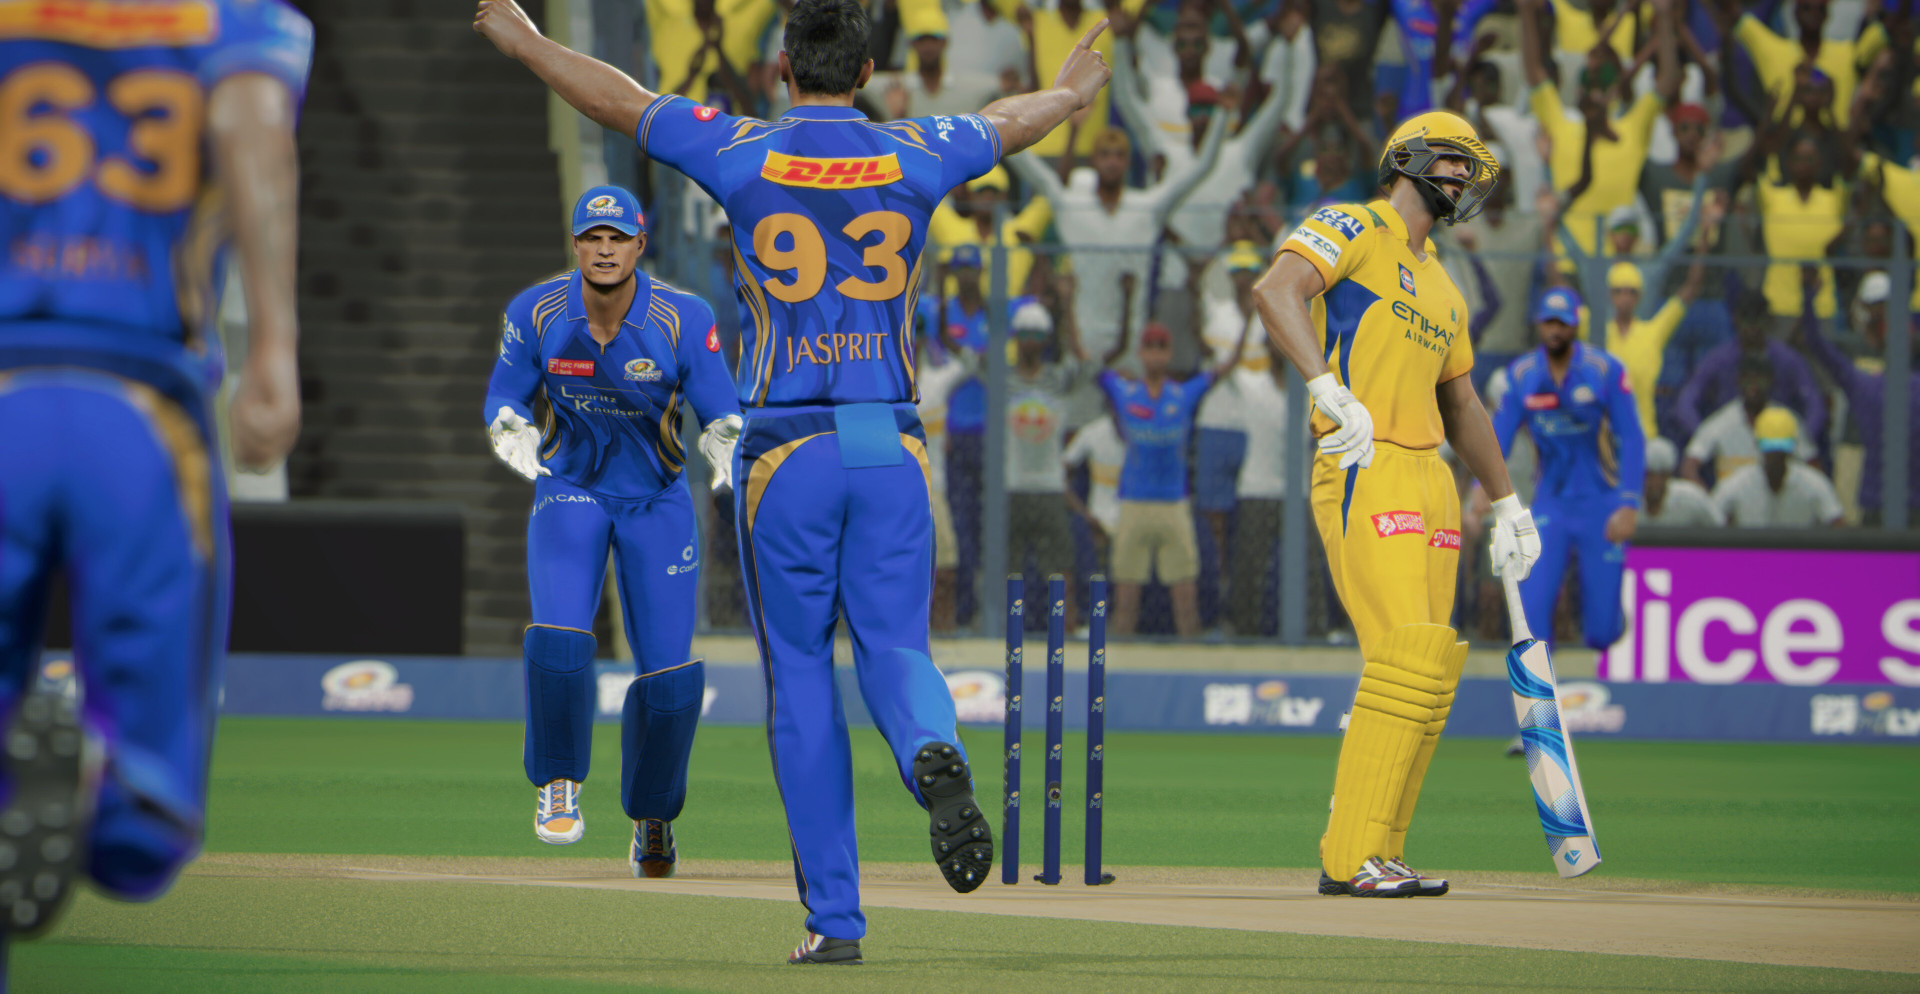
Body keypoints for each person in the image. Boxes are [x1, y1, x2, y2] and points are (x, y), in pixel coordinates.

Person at [475, 0, 1112, 963]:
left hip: (787, 449)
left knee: (802, 678)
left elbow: (620, 102)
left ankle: (836, 923)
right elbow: (1007, 121)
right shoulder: (916, 149)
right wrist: (1069, 96)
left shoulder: (742, 148)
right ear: (867, 73)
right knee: (897, 647)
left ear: (782, 67)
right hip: (889, 440)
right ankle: (928, 752)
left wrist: (525, 41)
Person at [0, 0, 311, 949]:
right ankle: (97, 785)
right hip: (140, 408)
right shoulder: (233, 19)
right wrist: (273, 346)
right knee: (147, 826)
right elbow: (252, 128)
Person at [1252, 109, 1541, 897]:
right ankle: (1349, 857)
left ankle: (1383, 850)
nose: (1466, 177)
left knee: (1431, 672)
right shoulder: (1353, 223)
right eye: (1454, 161)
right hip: (1363, 458)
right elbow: (1275, 290)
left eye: (1472, 167)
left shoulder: (1445, 283)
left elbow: (1463, 403)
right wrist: (1325, 387)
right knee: (1401, 658)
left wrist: (1508, 504)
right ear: (1408, 158)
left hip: (1431, 476)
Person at [483, 187, 740, 872]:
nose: (604, 249)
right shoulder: (535, 312)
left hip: (657, 499)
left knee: (669, 677)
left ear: (639, 245)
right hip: (571, 488)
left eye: (617, 237)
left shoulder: (683, 317)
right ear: (575, 244)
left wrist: (724, 435)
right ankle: (558, 783)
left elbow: (720, 404)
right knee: (561, 637)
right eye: (592, 237)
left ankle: (653, 818)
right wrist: (506, 421)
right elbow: (505, 389)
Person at [1492, 288, 1646, 651]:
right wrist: (1483, 491)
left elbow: (1632, 437)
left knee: (1601, 633)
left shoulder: (1604, 370)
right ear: (1538, 325)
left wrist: (1628, 503)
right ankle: (1543, 680)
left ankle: (1609, 621)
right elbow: (1498, 438)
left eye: (1562, 323)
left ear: (1576, 325)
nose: (1555, 331)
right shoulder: (1522, 375)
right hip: (1551, 504)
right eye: (1549, 323)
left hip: (1601, 504)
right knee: (1533, 618)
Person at [1007, 117, 1223, 363]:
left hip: (1132, 345)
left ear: (1128, 163)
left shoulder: (1146, 208)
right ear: (1093, 160)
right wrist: (1002, 123)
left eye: (1119, 155)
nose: (1112, 162)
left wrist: (1223, 116)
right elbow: (1037, 175)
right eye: (1105, 154)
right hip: (1082, 342)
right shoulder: (1073, 207)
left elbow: (1201, 169)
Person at [1099, 319, 1242, 637]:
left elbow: (1223, 369)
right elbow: (1091, 367)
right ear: (1140, 353)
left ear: (1169, 353)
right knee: (1125, 601)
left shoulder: (1184, 394)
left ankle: (1189, 661)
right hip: (1133, 503)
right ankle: (1119, 663)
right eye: (1149, 347)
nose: (1155, 355)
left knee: (1186, 600)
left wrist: (1246, 323)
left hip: (1174, 504)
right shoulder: (1125, 391)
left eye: (1161, 347)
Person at [1797, 269, 1920, 527]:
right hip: (1875, 483)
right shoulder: (1863, 378)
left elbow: (1816, 343)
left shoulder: (1864, 385)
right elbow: (1817, 343)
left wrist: (1808, 297)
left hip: (1891, 499)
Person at [1006, 295, 1095, 630]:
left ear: (1045, 339)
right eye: (1024, 334)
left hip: (1050, 487)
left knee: (1060, 570)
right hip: (1012, 485)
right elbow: (964, 353)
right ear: (1015, 337)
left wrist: (1069, 307)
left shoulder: (1058, 379)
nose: (1029, 341)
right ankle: (1006, 633)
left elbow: (1086, 363)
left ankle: (1066, 629)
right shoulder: (1002, 379)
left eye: (1036, 334)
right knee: (1009, 569)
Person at [1675, 287, 1826, 443]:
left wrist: (1800, 441)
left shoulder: (1789, 360)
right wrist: (1707, 439)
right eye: (1747, 319)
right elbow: (1686, 402)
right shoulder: (1719, 359)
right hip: (1729, 441)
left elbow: (1814, 405)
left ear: (1770, 320)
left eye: (1758, 319)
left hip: (1777, 441)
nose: (1752, 328)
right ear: (1736, 319)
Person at [1681, 354, 1817, 486]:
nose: (1754, 386)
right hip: (1733, 499)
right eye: (1748, 380)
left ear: (1771, 381)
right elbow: (1689, 467)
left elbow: (1813, 465)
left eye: (1759, 380)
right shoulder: (1721, 421)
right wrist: (1709, 499)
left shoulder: (1787, 419)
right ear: (1738, 381)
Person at [1712, 408, 1845, 527]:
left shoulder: (1813, 484)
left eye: (1782, 446)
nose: (1775, 454)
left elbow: (1839, 526)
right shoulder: (1738, 484)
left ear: (1793, 448)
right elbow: (1710, 520)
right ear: (1757, 445)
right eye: (1769, 446)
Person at [1642, 437, 1724, 527]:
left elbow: (1718, 525)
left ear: (1669, 476)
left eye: (1662, 476)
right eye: (1649, 475)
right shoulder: (1630, 501)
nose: (1655, 482)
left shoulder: (1691, 498)